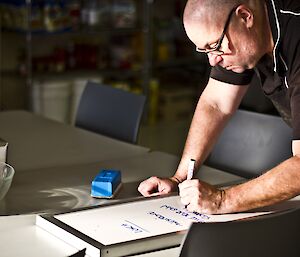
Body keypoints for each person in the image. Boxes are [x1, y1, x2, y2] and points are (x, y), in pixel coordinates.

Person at [138, 0, 300, 214]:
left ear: (245, 17)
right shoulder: (246, 35)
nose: (213, 61)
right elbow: (216, 104)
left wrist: (222, 200)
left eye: (215, 46)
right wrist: (180, 178)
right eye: (205, 51)